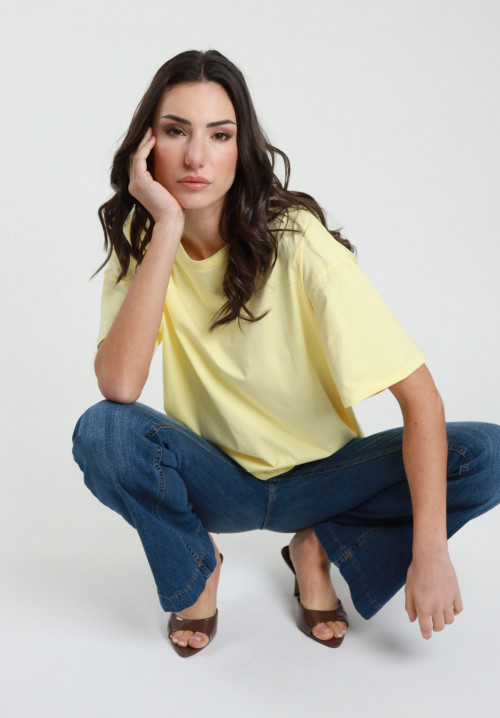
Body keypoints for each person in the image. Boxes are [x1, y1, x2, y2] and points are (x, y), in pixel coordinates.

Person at [72, 49, 500, 658]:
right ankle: (198, 568)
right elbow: (119, 387)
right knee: (103, 432)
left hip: (324, 478)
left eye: (219, 135)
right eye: (176, 131)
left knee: (487, 456)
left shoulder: (297, 241)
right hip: (216, 481)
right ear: (148, 145)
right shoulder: (142, 239)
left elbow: (420, 397)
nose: (196, 157)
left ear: (241, 147)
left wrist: (430, 549)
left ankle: (318, 547)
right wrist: (166, 225)